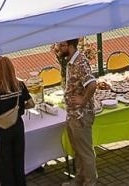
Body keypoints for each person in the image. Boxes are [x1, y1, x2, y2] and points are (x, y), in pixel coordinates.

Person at [53, 37, 98, 185]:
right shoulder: (72, 61)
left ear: (70, 46)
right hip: (73, 115)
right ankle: (79, 179)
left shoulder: (79, 62)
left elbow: (92, 84)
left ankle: (90, 182)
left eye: (61, 45)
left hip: (81, 116)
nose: (58, 48)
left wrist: (83, 100)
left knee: (85, 152)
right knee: (78, 151)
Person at [0, 55, 33, 186]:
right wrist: (19, 108)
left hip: (2, 130)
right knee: (19, 162)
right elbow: (31, 103)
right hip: (18, 126)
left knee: (5, 166)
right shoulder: (20, 85)